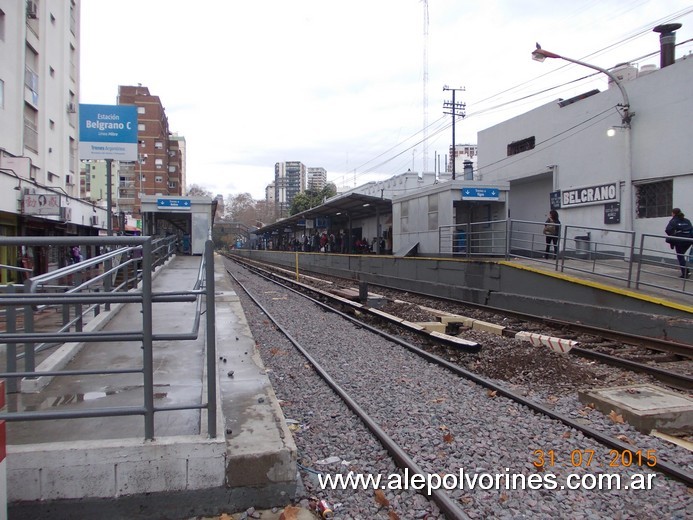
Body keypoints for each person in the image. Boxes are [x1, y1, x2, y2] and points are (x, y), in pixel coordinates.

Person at [665, 208, 693, 278]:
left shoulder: (673, 221)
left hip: (680, 241)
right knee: (682, 255)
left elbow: (668, 230)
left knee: (680, 256)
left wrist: (673, 236)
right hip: (689, 240)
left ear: (673, 213)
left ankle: (685, 273)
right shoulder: (687, 220)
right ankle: (686, 271)